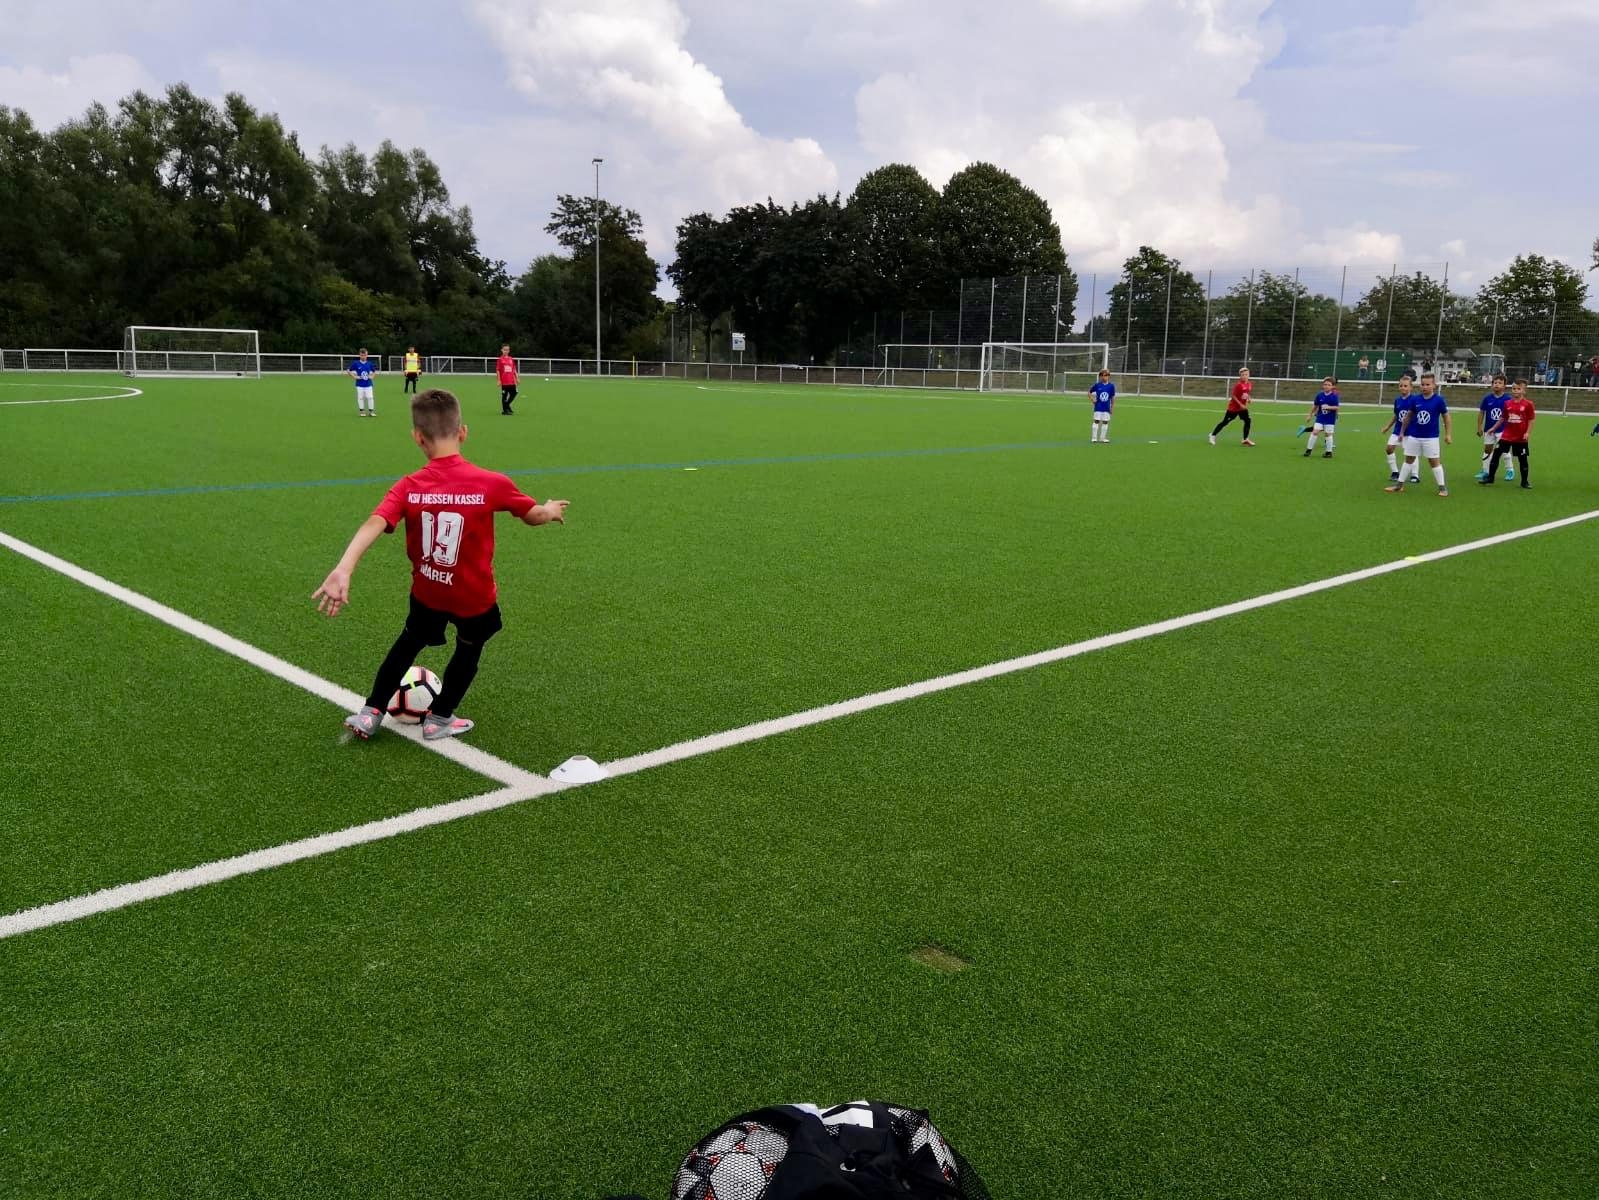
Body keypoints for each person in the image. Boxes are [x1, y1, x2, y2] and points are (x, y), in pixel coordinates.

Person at [311, 388, 570, 741]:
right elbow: (533, 515)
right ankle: (440, 718)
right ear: (463, 432)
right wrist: (550, 510)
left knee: (407, 644)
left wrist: (345, 567)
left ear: (418, 437)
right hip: (474, 596)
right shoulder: (491, 483)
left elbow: (375, 522)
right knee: (469, 648)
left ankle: (371, 712)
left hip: (429, 592)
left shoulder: (409, 486)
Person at [1385, 371, 1452, 496]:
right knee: (1408, 460)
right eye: (1422, 384)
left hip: (1431, 438)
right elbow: (1408, 416)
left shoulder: (1439, 400)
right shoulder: (1416, 400)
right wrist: (1402, 432)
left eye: (1427, 384)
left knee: (1434, 462)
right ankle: (1399, 485)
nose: (1424, 387)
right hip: (1414, 437)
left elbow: (1446, 417)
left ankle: (1442, 488)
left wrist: (1448, 434)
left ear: (1434, 386)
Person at [1480, 380, 1534, 489]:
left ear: (1524, 391)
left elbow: (1531, 420)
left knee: (1522, 459)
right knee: (1496, 454)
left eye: (1518, 389)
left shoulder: (1528, 404)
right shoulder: (1507, 403)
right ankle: (1490, 478)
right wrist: (1493, 428)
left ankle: (1524, 482)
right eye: (1514, 388)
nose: (1515, 391)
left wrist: (1527, 432)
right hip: (1507, 435)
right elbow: (1503, 418)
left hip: (1520, 437)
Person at [1378, 377, 1421, 484]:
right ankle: (1395, 472)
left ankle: (1415, 475)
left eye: (1405, 386)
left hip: (1410, 432)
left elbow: (1418, 415)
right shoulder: (1397, 400)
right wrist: (1388, 427)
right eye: (1401, 385)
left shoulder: (1415, 400)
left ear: (1411, 387)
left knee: (1411, 453)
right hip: (1397, 431)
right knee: (1389, 449)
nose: (1403, 388)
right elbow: (1396, 415)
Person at [1475, 374, 1514, 482]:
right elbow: (1481, 412)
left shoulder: (1508, 399)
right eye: (1495, 382)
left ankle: (1510, 470)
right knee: (1487, 450)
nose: (1497, 385)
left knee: (1504, 450)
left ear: (1504, 386)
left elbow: (1511, 414)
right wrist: (1479, 427)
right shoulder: (1487, 398)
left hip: (1503, 429)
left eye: (1500, 383)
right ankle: (1485, 470)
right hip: (1489, 429)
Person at [1209, 368, 1255, 446]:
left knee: (1248, 420)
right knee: (1225, 422)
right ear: (1240, 376)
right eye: (1243, 375)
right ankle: (1212, 435)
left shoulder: (1249, 384)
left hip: (1242, 408)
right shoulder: (1238, 385)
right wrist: (1240, 404)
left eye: (1246, 374)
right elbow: (1233, 396)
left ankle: (1245, 439)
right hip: (1233, 408)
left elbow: (1246, 393)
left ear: (1249, 375)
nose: (1245, 376)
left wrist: (1249, 399)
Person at [1303, 376, 1340, 458]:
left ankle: (1328, 452)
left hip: (1330, 419)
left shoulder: (1334, 396)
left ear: (1332, 386)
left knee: (1328, 434)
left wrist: (1329, 407)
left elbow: (1337, 407)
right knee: (1315, 431)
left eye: (1329, 385)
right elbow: (1315, 406)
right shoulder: (1319, 395)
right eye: (1325, 384)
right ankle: (1308, 450)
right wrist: (1309, 415)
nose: (1326, 386)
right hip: (1320, 417)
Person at [347, 348, 379, 417]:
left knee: (370, 397)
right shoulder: (356, 363)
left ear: (367, 355)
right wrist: (354, 376)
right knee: (360, 398)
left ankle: (371, 412)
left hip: (368, 384)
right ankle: (362, 411)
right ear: (359, 355)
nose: (363, 357)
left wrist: (372, 376)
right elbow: (348, 370)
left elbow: (374, 371)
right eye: (362, 355)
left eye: (365, 355)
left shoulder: (369, 363)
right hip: (359, 384)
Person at [1088, 368, 1116, 442]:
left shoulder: (1111, 386)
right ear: (1100, 376)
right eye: (1102, 375)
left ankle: (1102, 438)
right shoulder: (1097, 385)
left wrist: (1112, 407)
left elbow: (1112, 397)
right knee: (1096, 421)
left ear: (1108, 376)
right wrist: (1092, 400)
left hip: (1106, 407)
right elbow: (1089, 392)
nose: (1104, 377)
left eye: (1106, 375)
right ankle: (1094, 438)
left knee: (1105, 422)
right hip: (1098, 407)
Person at [497, 344, 518, 415]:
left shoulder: (511, 359)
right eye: (505, 350)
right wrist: (499, 380)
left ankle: (507, 405)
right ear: (502, 350)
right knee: (504, 396)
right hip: (504, 381)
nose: (506, 351)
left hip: (511, 380)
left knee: (514, 393)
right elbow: (498, 370)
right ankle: (505, 411)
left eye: (507, 350)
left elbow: (514, 369)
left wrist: (517, 378)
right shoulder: (500, 359)